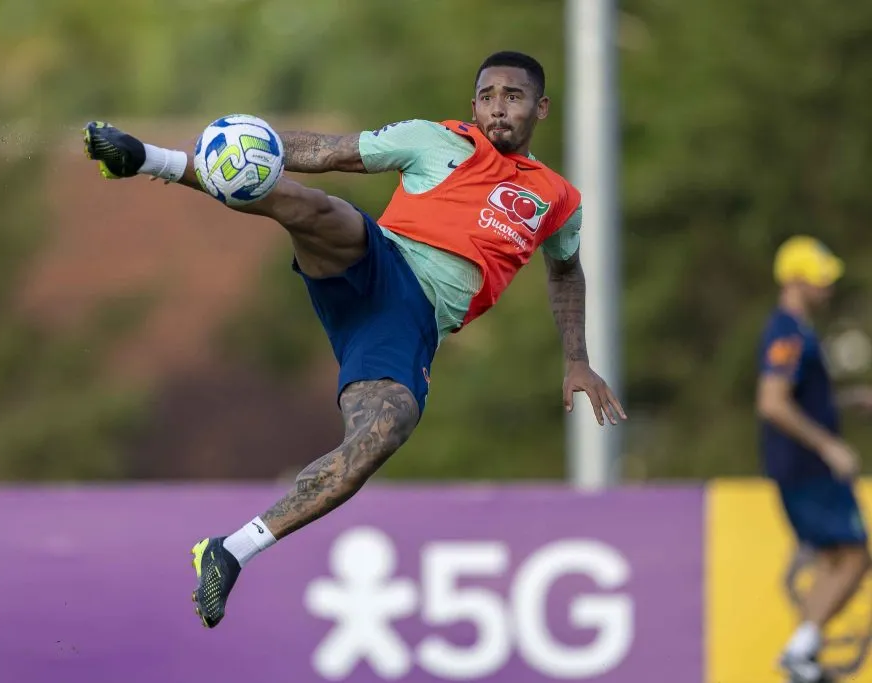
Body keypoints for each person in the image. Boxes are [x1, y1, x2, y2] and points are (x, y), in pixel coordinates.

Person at [83, 50, 627, 629]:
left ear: (540, 108)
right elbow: (327, 152)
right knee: (314, 208)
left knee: (382, 433)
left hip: (408, 325)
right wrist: (251, 144)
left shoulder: (558, 198)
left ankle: (231, 550)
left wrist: (577, 358)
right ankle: (146, 158)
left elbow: (565, 271)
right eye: (487, 96)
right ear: (472, 105)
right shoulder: (433, 140)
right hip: (378, 259)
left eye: (513, 97)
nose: (498, 108)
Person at [756, 235, 871, 682]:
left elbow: (801, 399)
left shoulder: (799, 331)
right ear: (795, 280)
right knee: (855, 556)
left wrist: (843, 400)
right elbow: (773, 402)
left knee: (835, 560)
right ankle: (799, 652)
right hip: (808, 469)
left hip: (802, 468)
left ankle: (803, 656)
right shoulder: (787, 331)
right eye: (820, 278)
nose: (828, 286)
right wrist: (828, 445)